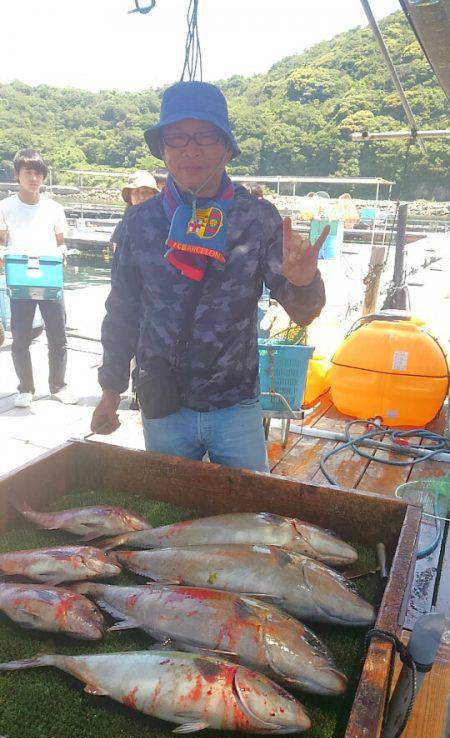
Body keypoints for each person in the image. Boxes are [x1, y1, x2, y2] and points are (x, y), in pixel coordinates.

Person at [91, 81, 328, 472]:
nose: (191, 149)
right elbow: (122, 312)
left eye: (205, 136)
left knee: (250, 512)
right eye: (177, 138)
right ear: (163, 150)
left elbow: (303, 313)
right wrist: (110, 390)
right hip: (162, 402)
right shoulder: (139, 222)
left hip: (235, 403)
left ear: (227, 148)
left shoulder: (258, 218)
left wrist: (304, 280)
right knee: (170, 511)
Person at [0, 148, 77, 408]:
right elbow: (2, 242)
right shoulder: (5, 207)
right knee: (20, 337)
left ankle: (58, 385)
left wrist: (62, 253)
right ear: (17, 174)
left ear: (43, 177)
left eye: (38, 173)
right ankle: (25, 388)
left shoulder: (54, 208)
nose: (33, 178)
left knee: (58, 336)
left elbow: (60, 241)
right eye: (28, 172)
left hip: (49, 277)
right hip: (20, 280)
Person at [111, 170, 158, 253]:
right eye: (136, 192)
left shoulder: (165, 223)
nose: (141, 197)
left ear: (154, 194)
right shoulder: (123, 226)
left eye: (146, 192)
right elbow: (117, 258)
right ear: (130, 197)